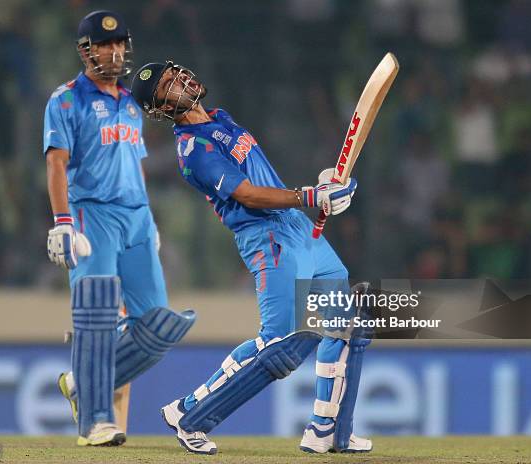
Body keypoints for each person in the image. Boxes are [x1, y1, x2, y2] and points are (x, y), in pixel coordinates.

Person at [130, 61, 372, 455]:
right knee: (280, 344)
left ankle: (328, 431)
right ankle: (190, 416)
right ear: (160, 108)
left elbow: (266, 180)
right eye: (168, 85)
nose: (182, 80)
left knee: (345, 326)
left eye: (177, 73)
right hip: (268, 237)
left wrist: (325, 185)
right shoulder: (194, 149)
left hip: (296, 228)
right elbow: (247, 194)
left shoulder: (221, 119)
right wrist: (312, 196)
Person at [43, 13, 194, 447]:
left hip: (137, 219)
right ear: (85, 50)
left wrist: (150, 219)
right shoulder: (66, 100)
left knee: (158, 327)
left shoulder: (131, 103)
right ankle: (95, 420)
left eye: (120, 43)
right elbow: (56, 162)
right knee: (96, 317)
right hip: (93, 215)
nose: (115, 51)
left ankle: (79, 381)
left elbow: (135, 164)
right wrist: (63, 223)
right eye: (105, 44)